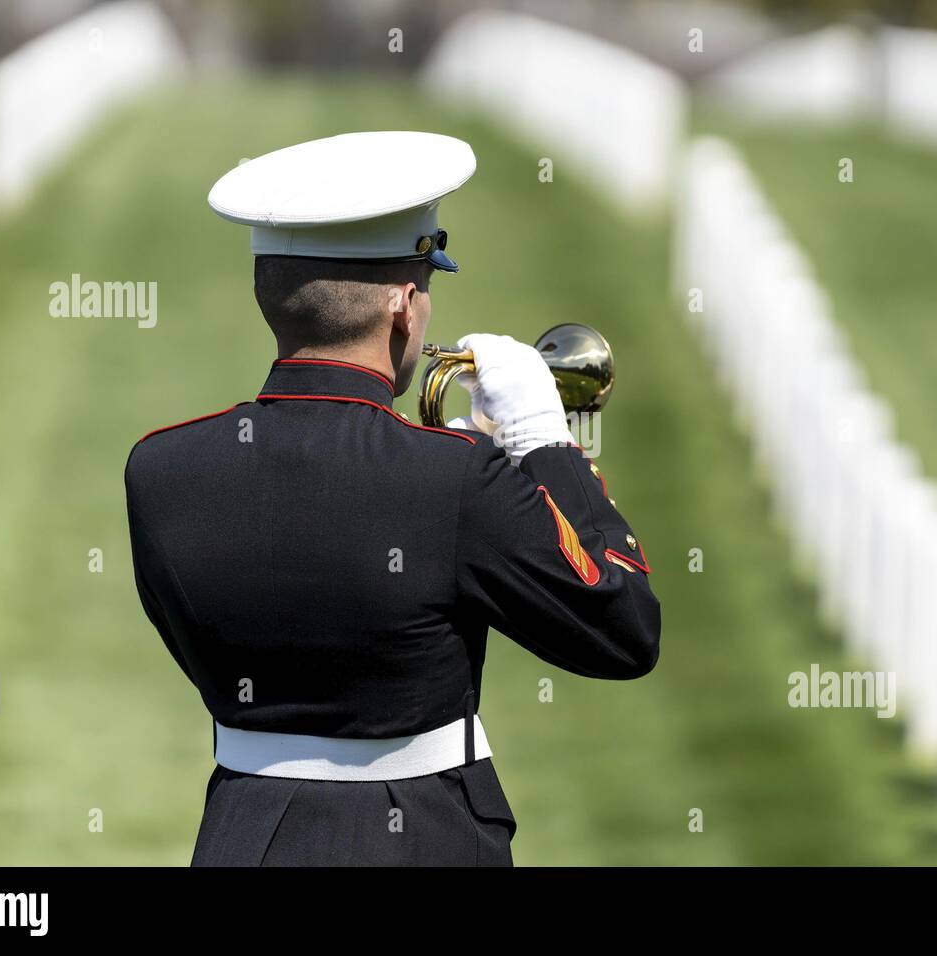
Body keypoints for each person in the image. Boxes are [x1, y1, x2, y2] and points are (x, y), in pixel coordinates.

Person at [124, 131, 660, 866]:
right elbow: (623, 628)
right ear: (404, 307)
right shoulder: (457, 477)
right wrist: (543, 444)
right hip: (426, 836)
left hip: (242, 835)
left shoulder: (159, 469)